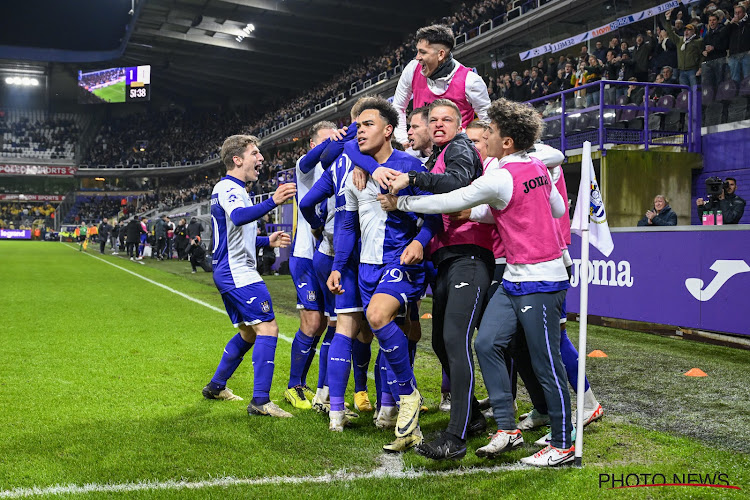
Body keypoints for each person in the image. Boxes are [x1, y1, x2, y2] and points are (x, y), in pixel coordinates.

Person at [391, 98, 574, 467]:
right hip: (516, 278)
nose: (482, 138)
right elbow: (554, 208)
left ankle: (563, 442)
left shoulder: (501, 175)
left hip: (539, 276)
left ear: (506, 141)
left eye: (488, 133)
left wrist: (404, 202)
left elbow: (456, 196)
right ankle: (507, 428)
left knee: (545, 360)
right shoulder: (533, 166)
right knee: (488, 343)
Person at [327, 97, 441, 448]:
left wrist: (421, 241)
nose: (360, 131)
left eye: (368, 124)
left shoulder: (410, 165)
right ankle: (397, 406)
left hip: (401, 262)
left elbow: (434, 215)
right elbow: (346, 227)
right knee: (391, 332)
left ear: (389, 130)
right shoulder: (354, 172)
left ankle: (404, 398)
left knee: (379, 317)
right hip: (365, 267)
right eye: (357, 126)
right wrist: (337, 266)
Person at [385, 99, 495, 460]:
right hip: (449, 259)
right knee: (440, 342)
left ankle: (456, 436)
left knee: (454, 338)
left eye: (447, 118)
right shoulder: (440, 154)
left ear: (460, 122)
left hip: (470, 256)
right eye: (433, 119)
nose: (438, 124)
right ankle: (475, 418)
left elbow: (458, 182)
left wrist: (413, 179)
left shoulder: (460, 147)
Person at [202, 134, 297, 419]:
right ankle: (261, 401)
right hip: (237, 273)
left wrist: (266, 241)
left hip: (232, 270)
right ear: (237, 159)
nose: (261, 159)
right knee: (268, 328)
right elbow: (241, 217)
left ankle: (216, 386)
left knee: (247, 333)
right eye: (255, 153)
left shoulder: (236, 189)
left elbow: (236, 235)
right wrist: (273, 200)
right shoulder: (229, 187)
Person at [285, 120, 338, 410]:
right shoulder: (305, 168)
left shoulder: (338, 168)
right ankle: (293, 386)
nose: (332, 144)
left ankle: (318, 387)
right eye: (325, 141)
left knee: (329, 322)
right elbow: (308, 160)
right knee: (313, 322)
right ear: (313, 145)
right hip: (305, 255)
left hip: (328, 254)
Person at [392, 24, 490, 147]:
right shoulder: (412, 69)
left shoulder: (471, 81)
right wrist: (402, 140)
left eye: (423, 52)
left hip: (455, 152)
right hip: (422, 150)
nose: (417, 57)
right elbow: (398, 106)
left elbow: (487, 121)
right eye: (418, 51)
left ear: (440, 54)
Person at [664, 10, 705, 87]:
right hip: (681, 71)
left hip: (693, 70)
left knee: (695, 91)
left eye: (689, 30)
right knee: (685, 94)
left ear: (694, 32)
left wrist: (700, 68)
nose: (686, 32)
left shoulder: (698, 41)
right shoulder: (680, 40)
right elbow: (670, 32)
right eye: (685, 30)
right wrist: (668, 19)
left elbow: (702, 55)